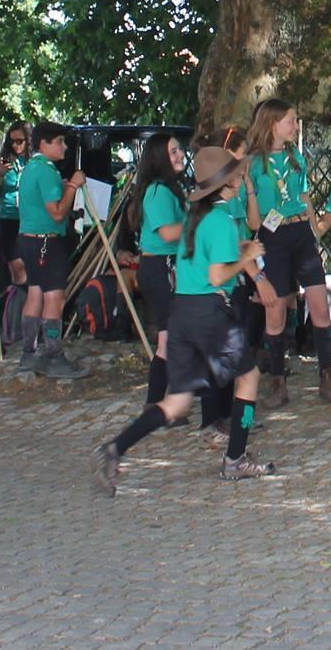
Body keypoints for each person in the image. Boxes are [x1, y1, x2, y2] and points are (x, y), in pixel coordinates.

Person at [93, 146, 277, 490]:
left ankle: (116, 447)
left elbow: (202, 257)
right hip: (211, 312)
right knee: (249, 377)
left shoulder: (196, 216)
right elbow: (218, 275)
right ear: (226, 183)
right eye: (236, 174)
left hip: (182, 312)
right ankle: (236, 458)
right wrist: (247, 256)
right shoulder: (222, 220)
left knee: (176, 403)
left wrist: (237, 252)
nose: (241, 177)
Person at [243, 98, 331, 406]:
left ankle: (327, 375)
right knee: (275, 310)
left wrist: (314, 232)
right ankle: (278, 381)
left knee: (320, 307)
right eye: (291, 120)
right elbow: (252, 218)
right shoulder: (252, 163)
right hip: (272, 237)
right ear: (272, 123)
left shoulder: (295, 156)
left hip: (300, 233)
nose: (296, 126)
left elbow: (304, 196)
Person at [14, 120, 90, 380]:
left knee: (35, 293)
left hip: (29, 240)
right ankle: (53, 356)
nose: (64, 147)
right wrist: (72, 186)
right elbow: (57, 212)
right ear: (44, 143)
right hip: (46, 241)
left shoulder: (30, 167)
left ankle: (29, 354)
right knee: (54, 298)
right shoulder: (46, 170)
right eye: (59, 142)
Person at [131, 131, 188, 409]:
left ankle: (164, 401)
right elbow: (168, 233)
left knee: (172, 336)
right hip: (159, 268)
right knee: (169, 339)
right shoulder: (157, 192)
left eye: (179, 150)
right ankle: (156, 403)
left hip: (167, 266)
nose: (180, 155)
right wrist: (201, 222)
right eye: (172, 152)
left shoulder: (169, 189)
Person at [0, 121, 31, 298]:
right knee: (16, 268)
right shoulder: (6, 160)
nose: (15, 145)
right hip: (8, 219)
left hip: (29, 220)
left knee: (29, 268)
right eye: (12, 141)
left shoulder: (34, 162)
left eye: (19, 141)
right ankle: (16, 306)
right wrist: (0, 174)